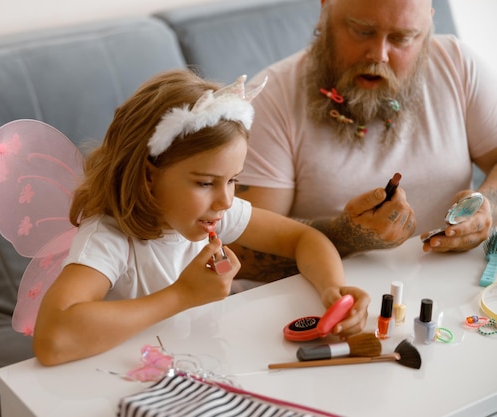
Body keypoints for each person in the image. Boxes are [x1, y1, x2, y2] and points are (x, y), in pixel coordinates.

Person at [31, 69, 370, 366]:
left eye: (234, 180)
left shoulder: (212, 212)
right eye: (206, 183)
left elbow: (304, 239)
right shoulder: (110, 237)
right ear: (149, 176)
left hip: (200, 362)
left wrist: (333, 289)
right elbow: (52, 340)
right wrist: (183, 295)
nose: (225, 200)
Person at [234, 0, 497, 282]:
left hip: (454, 289)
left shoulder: (457, 64)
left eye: (402, 38)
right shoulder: (272, 99)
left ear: (428, 26)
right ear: (325, 11)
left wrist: (486, 207)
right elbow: (238, 253)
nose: (379, 55)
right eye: (362, 31)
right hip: (327, 298)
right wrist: (344, 236)